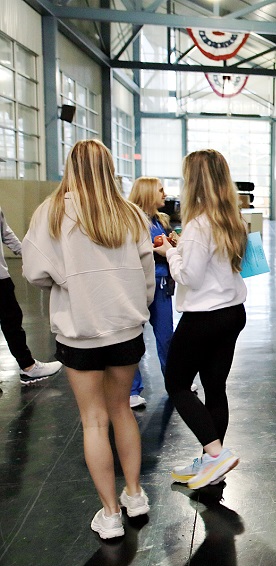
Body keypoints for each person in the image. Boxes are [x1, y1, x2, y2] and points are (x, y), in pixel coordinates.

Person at [22, 139, 154, 539]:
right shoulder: (130, 213)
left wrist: (66, 283)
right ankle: (135, 495)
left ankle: (110, 514)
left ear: (71, 167)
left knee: (94, 422)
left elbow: (33, 272)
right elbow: (147, 275)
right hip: (126, 329)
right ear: (110, 168)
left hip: (80, 332)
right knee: (122, 411)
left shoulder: (51, 213)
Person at [156, 149, 247, 490]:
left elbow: (189, 277)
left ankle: (214, 455)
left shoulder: (197, 225)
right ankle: (212, 460)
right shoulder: (231, 220)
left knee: (177, 384)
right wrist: (183, 249)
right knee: (214, 387)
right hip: (231, 314)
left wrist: (170, 253)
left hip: (203, 318)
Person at [127, 177, 178, 409]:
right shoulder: (130, 221)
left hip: (161, 284)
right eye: (160, 190)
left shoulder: (160, 220)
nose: (164, 194)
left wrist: (171, 244)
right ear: (148, 193)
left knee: (166, 335)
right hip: (138, 284)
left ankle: (175, 381)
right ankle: (131, 389)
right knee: (133, 337)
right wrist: (154, 249)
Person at [0, 206, 63, 386]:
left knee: (12, 320)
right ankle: (27, 366)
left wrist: (28, 255)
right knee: (11, 321)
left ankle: (28, 367)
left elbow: (5, 233)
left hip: (1, 278)